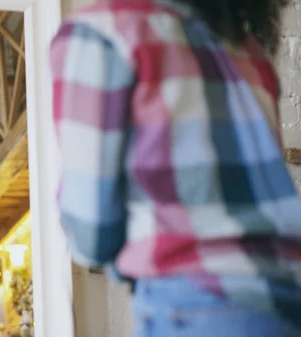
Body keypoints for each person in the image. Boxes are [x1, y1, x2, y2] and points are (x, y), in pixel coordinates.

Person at [50, 0, 301, 336]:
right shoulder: (246, 47)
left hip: (194, 303)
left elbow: (91, 233)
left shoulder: (101, 31)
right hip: (285, 299)